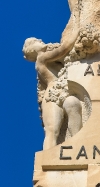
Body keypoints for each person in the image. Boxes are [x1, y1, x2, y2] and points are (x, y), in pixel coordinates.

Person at [23, 0, 82, 150]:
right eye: (36, 41)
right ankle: (49, 159)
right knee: (52, 131)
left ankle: (76, 147)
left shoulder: (46, 56)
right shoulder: (41, 59)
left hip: (66, 89)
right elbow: (66, 47)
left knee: (73, 104)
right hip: (52, 96)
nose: (40, 41)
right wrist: (77, 14)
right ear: (31, 50)